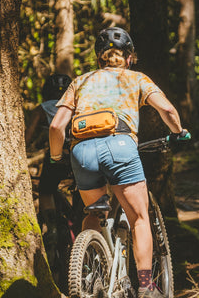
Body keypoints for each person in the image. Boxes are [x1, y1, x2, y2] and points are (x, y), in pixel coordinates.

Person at [49, 27, 189, 298]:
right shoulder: (136, 79)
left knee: (93, 213)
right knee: (138, 218)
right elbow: (168, 110)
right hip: (120, 147)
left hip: (81, 153)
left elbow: (57, 127)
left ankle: (90, 274)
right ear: (129, 58)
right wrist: (178, 132)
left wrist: (57, 157)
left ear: (99, 58)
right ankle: (147, 286)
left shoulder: (80, 81)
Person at [25, 74, 73, 250]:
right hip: (78, 156)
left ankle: (51, 227)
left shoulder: (42, 108)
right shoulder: (76, 106)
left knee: (46, 190)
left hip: (55, 157)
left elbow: (28, 136)